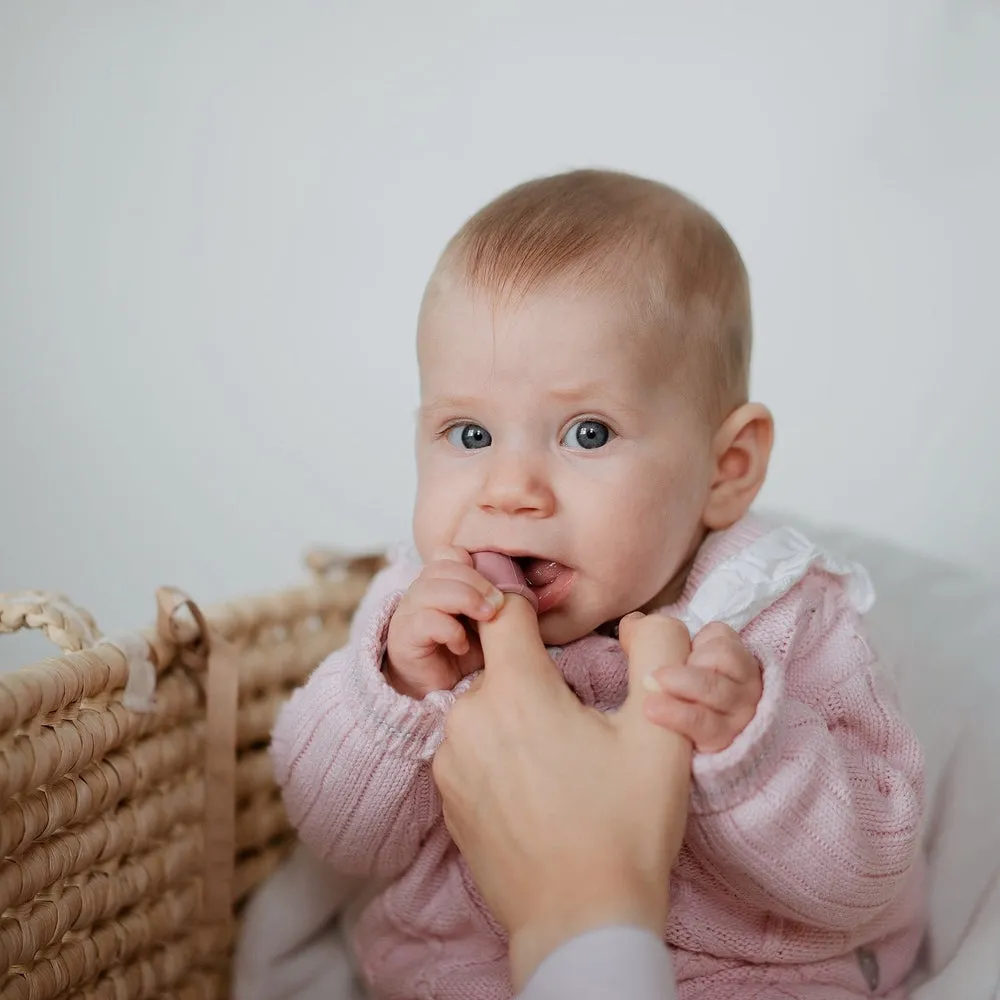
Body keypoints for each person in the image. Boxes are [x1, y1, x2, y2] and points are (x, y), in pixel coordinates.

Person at [270, 170, 926, 998]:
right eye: (469, 433)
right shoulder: (416, 612)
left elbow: (870, 872)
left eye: (587, 432)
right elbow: (335, 838)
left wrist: (752, 749)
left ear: (726, 468)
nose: (510, 489)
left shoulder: (778, 618)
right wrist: (394, 692)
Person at [432, 592, 695, 999]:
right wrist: (402, 692)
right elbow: (339, 843)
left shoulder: (773, 604)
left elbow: (827, 884)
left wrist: (730, 752)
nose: (511, 522)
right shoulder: (425, 619)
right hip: (437, 974)